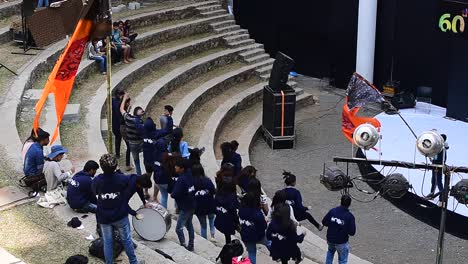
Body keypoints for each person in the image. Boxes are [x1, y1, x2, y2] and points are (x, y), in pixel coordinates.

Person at [92, 154, 143, 264]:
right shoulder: (122, 179)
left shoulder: (97, 180)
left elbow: (94, 192)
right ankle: (134, 262)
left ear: (101, 166)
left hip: (104, 217)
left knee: (107, 242)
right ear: (115, 166)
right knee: (126, 240)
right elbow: (134, 178)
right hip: (120, 216)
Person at [140, 117, 171, 200]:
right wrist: (169, 117)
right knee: (156, 180)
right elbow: (167, 130)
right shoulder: (156, 134)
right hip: (155, 160)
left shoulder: (143, 132)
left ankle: (145, 192)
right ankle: (154, 196)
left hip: (146, 160)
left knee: (147, 176)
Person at [170, 158, 196, 251]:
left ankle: (183, 246)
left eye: (177, 166)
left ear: (182, 168)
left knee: (178, 228)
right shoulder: (190, 174)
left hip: (185, 207)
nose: (175, 167)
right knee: (189, 225)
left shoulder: (181, 179)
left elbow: (174, 194)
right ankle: (191, 245)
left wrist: (173, 193)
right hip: (192, 205)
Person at [322, 195, 356, 264]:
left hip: (330, 239)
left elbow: (324, 222)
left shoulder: (332, 211)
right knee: (342, 260)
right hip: (342, 242)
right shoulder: (350, 216)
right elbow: (352, 232)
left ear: (340, 201)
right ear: (349, 204)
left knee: (330, 253)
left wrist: (332, 224)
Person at [239, 192, 268, 264]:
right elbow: (264, 226)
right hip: (258, 236)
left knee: (251, 253)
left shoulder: (241, 210)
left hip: (246, 235)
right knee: (269, 243)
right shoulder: (257, 213)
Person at [120, 93, 145, 175]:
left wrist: (124, 99)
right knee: (141, 160)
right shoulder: (142, 123)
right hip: (140, 144)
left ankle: (139, 175)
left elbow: (121, 109)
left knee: (136, 162)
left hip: (132, 144)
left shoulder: (128, 119)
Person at [193, 163, 216, 239]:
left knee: (203, 225)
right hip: (210, 204)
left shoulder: (191, 182)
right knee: (211, 220)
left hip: (199, 207)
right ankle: (212, 235)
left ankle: (204, 239)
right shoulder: (207, 180)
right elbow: (213, 191)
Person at [215, 176, 239, 244]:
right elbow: (233, 211)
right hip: (229, 221)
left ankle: (228, 244)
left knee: (227, 236)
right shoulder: (231, 198)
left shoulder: (218, 194)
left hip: (220, 218)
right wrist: (237, 222)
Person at [112, 89, 131, 168]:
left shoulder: (114, 101)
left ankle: (117, 153)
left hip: (117, 123)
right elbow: (121, 112)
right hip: (118, 124)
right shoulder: (117, 103)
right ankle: (118, 154)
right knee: (119, 138)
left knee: (118, 138)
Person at [428, 134, 448, 199]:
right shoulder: (438, 146)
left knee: (438, 181)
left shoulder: (442, 146)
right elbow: (435, 155)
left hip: (439, 165)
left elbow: (446, 148)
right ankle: (432, 193)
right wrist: (432, 159)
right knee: (433, 180)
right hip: (435, 165)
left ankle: (442, 195)